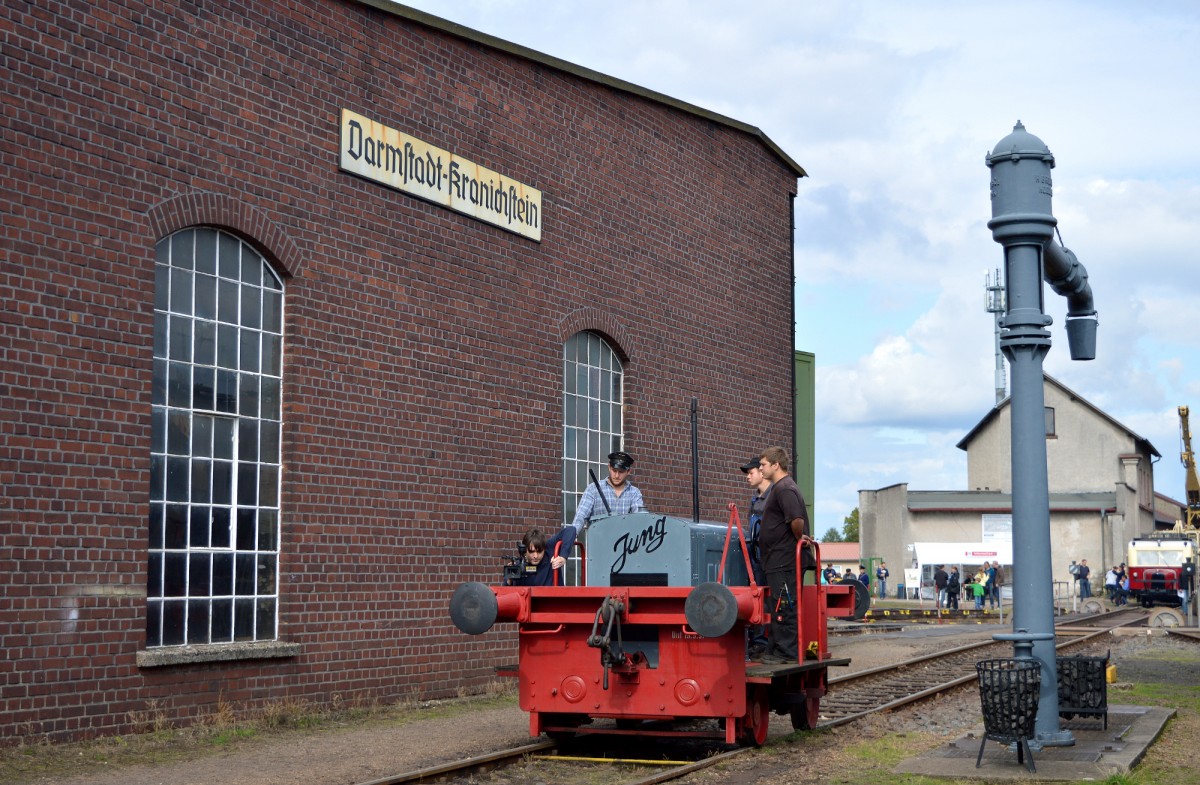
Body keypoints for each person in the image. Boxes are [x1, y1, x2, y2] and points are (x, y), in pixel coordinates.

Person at [757, 446, 812, 663]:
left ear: (775, 464)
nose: (760, 468)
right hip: (777, 560)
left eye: (763, 464)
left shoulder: (785, 488)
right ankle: (775, 648)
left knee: (784, 605)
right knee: (778, 604)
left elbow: (796, 518)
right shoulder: (779, 488)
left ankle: (786, 652)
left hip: (784, 559)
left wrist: (799, 538)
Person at [740, 456, 771, 660]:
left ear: (762, 472)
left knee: (765, 596)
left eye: (751, 473)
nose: (748, 477)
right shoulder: (755, 499)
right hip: (755, 554)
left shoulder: (773, 496)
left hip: (767, 555)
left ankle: (763, 641)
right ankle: (756, 639)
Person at [569, 451, 645, 533]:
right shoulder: (593, 489)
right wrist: (572, 534)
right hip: (598, 543)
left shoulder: (634, 493)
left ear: (629, 471)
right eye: (614, 470)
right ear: (609, 467)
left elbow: (639, 520)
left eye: (621, 472)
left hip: (624, 544)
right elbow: (581, 516)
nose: (617, 475)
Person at [508, 526, 576, 586]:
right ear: (525, 550)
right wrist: (509, 580)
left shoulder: (549, 548)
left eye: (539, 551)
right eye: (532, 552)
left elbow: (571, 530)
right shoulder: (519, 565)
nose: (535, 556)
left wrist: (563, 557)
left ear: (544, 548)